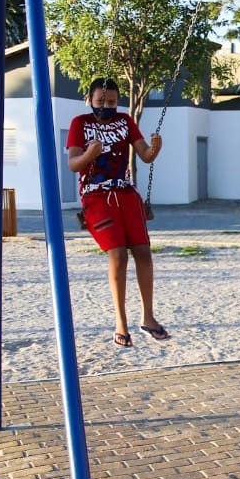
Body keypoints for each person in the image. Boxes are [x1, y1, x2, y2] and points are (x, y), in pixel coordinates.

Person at [66, 77, 169, 348]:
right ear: (89, 100)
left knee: (143, 252)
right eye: (101, 101)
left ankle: (148, 317)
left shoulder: (124, 121)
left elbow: (145, 155)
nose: (106, 106)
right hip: (96, 196)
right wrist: (90, 154)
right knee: (118, 255)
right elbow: (74, 164)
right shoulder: (80, 123)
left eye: (112, 102)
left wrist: (156, 148)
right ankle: (120, 322)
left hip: (125, 193)